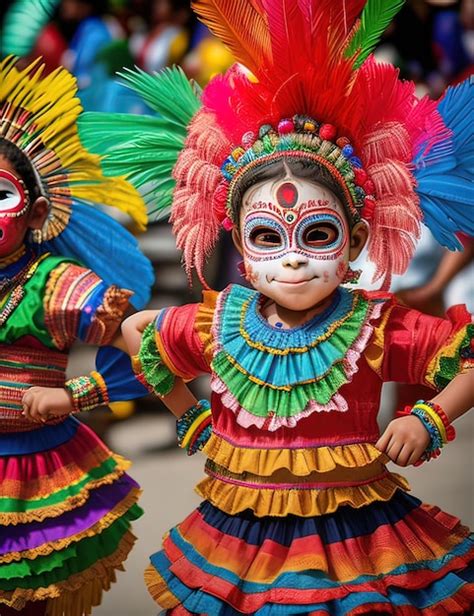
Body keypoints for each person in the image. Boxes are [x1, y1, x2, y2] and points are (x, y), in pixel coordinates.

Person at [82, 0, 473, 612]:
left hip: (354, 542)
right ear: (239, 245)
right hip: (241, 540)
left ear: (357, 242)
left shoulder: (373, 327)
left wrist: (429, 417)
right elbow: (138, 331)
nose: (292, 258)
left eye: (316, 235)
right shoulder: (219, 323)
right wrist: (190, 416)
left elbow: (470, 355)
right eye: (269, 237)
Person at [0, 57, 153, 615]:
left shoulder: (56, 286)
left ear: (37, 211)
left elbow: (147, 346)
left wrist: (74, 396)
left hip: (30, 479)